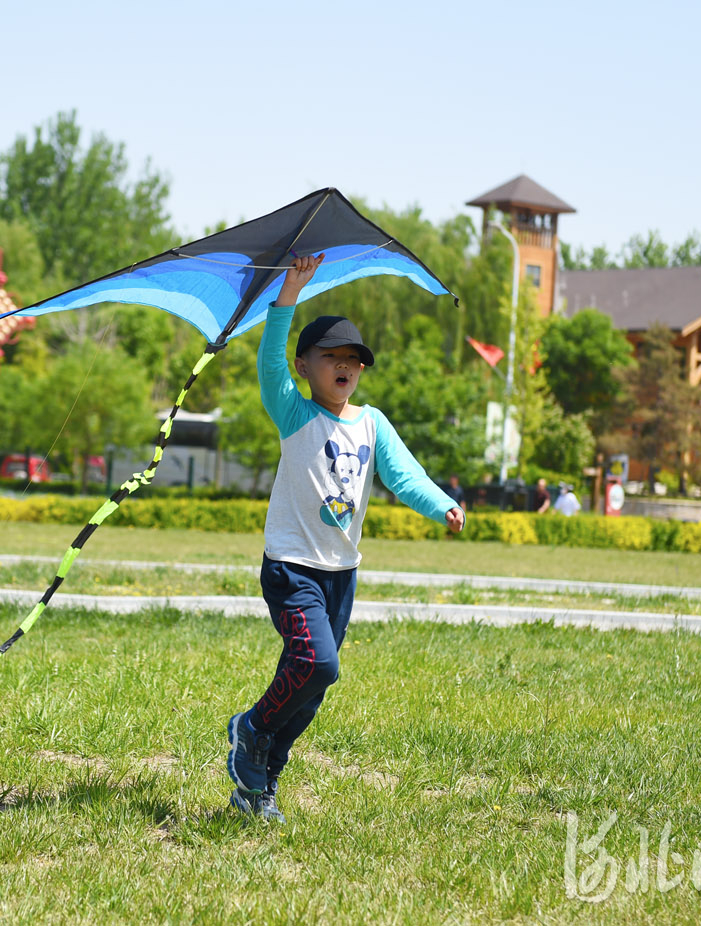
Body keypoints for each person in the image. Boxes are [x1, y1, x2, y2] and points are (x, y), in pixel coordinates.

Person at [226, 254, 465, 823]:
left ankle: (260, 784)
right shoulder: (292, 411)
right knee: (320, 664)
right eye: (331, 357)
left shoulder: (371, 423)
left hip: (341, 573)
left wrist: (444, 506)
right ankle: (250, 728)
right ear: (304, 367)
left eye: (354, 359)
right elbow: (267, 361)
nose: (345, 366)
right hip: (292, 566)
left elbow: (403, 477)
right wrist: (288, 295)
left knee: (312, 688)